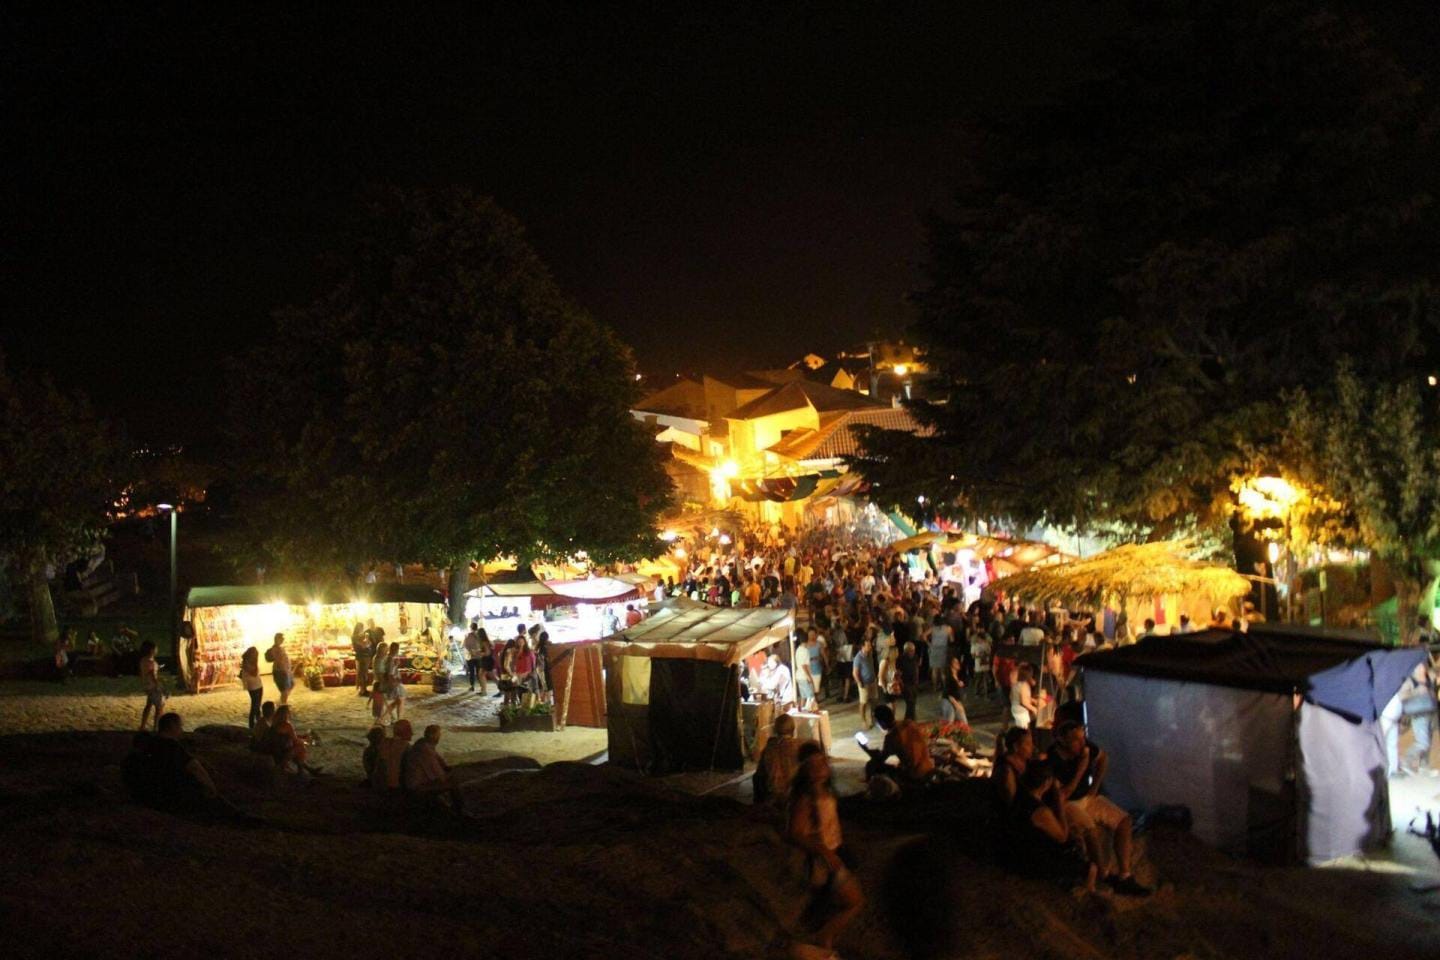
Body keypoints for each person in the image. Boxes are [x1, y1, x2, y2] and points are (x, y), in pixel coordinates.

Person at [1049, 720, 1150, 895]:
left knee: (1124, 821)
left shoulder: (1085, 747)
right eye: (1076, 740)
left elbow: (1103, 758)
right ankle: (1103, 874)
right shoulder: (1054, 759)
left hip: (1087, 797)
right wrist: (1082, 767)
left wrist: (1095, 786)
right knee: (1090, 829)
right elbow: (1063, 794)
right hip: (1068, 803)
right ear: (1063, 741)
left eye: (1083, 738)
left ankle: (1125, 875)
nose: (1082, 743)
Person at [786, 742, 864, 957]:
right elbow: (794, 832)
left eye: (822, 761)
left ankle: (825, 943)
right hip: (825, 860)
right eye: (814, 764)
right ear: (805, 769)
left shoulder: (824, 790)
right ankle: (824, 938)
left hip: (835, 853)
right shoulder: (805, 798)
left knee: (843, 902)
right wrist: (824, 852)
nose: (820, 767)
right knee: (855, 902)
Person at [1006, 759, 1097, 892]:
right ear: (1047, 782)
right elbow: (1062, 837)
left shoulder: (1021, 798)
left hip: (1023, 853)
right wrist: (1059, 801)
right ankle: (1086, 892)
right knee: (1091, 867)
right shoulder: (1039, 811)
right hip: (1034, 862)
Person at [863, 704, 935, 787]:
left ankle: (872, 787)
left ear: (882, 722)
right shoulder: (909, 723)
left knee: (872, 765)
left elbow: (880, 759)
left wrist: (866, 750)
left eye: (877, 722)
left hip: (914, 774)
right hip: (928, 766)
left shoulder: (891, 737)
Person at [404, 724, 465, 814]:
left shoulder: (422, 743)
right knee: (453, 783)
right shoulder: (426, 750)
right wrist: (450, 774)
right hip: (416, 787)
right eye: (438, 735)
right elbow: (440, 776)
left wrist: (446, 768)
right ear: (432, 736)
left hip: (412, 782)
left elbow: (439, 759)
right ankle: (458, 811)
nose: (439, 737)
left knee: (449, 777)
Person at [752, 714, 803, 808]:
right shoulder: (801, 747)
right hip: (796, 798)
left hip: (772, 797)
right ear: (793, 729)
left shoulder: (769, 749)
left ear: (775, 730)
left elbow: (759, 775)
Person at [267, 705, 322, 776]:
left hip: (275, 750)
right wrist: (305, 741)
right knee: (300, 747)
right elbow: (295, 739)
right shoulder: (287, 725)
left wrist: (302, 737)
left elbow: (289, 737)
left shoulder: (274, 724)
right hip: (282, 752)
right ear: (286, 714)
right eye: (289, 712)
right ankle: (301, 772)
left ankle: (309, 770)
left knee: (298, 747)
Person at [371, 719, 413, 790]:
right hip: (396, 786)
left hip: (380, 784)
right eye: (409, 730)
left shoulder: (384, 742)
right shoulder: (406, 747)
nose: (411, 733)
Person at [852, 632, 879, 730]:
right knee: (863, 703)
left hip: (872, 681)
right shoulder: (858, 658)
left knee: (874, 701)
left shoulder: (870, 654)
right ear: (862, 647)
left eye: (870, 645)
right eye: (868, 645)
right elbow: (854, 672)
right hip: (864, 683)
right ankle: (863, 721)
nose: (870, 647)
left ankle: (873, 719)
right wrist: (859, 682)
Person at [138, 640, 165, 732]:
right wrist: (158, 684)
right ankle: (155, 727)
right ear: (152, 650)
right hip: (153, 686)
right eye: (155, 648)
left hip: (147, 685)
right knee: (159, 707)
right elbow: (152, 674)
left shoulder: (143, 660)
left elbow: (144, 673)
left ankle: (142, 726)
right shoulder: (151, 662)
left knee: (148, 705)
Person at [238, 646, 264, 729]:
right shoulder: (247, 663)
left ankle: (259, 723)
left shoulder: (249, 662)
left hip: (257, 685)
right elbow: (254, 673)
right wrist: (255, 663)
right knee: (254, 706)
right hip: (254, 686)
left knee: (257, 705)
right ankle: (252, 725)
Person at [939, 654, 968, 725]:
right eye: (955, 662)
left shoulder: (956, 676)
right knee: (948, 724)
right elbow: (949, 693)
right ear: (951, 665)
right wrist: (957, 705)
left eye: (958, 662)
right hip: (949, 702)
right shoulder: (949, 678)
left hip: (956, 701)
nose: (958, 664)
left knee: (963, 723)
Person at [1010, 662, 1039, 729]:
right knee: (1025, 729)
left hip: (1015, 709)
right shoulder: (1024, 685)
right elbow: (1024, 702)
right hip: (1021, 711)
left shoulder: (1016, 684)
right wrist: (1034, 709)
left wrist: (1032, 700)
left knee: (1020, 727)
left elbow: (1011, 696)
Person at [267, 632, 293, 706]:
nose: (283, 640)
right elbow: (279, 661)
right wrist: (285, 670)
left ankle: (282, 701)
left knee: (289, 686)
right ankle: (283, 704)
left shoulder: (279, 648)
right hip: (281, 671)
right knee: (284, 689)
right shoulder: (276, 649)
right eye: (282, 638)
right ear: (277, 639)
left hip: (283, 671)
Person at [897, 640, 921, 721]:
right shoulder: (901, 659)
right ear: (906, 651)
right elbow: (898, 674)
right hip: (906, 684)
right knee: (910, 702)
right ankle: (909, 719)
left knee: (913, 702)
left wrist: (917, 680)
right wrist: (902, 684)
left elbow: (916, 667)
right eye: (911, 651)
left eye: (914, 650)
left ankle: (911, 718)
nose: (913, 652)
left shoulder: (915, 657)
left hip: (914, 683)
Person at [463, 623, 490, 693]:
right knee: (479, 672)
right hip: (479, 657)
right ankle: (482, 687)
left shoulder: (468, 635)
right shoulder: (479, 635)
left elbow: (465, 645)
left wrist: (471, 651)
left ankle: (472, 686)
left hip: (471, 656)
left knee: (472, 672)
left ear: (471, 628)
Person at [927, 616, 952, 691]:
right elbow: (952, 639)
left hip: (934, 649)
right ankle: (944, 687)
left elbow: (923, 635)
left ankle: (935, 687)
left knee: (934, 670)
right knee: (943, 671)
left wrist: (929, 644)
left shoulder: (932, 629)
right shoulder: (948, 628)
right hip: (943, 649)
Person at [383, 641, 405, 722]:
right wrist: (393, 683)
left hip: (393, 681)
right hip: (393, 682)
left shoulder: (390, 658)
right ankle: (398, 719)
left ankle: (385, 717)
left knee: (398, 701)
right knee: (399, 700)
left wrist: (396, 665)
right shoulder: (390, 659)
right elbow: (390, 673)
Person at [352, 622, 375, 696]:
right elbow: (363, 645)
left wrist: (367, 640)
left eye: (362, 627)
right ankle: (362, 690)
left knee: (365, 673)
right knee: (362, 673)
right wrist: (366, 641)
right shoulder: (355, 637)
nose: (362, 629)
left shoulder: (362, 636)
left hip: (366, 656)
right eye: (361, 627)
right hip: (361, 656)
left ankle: (364, 689)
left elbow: (369, 644)